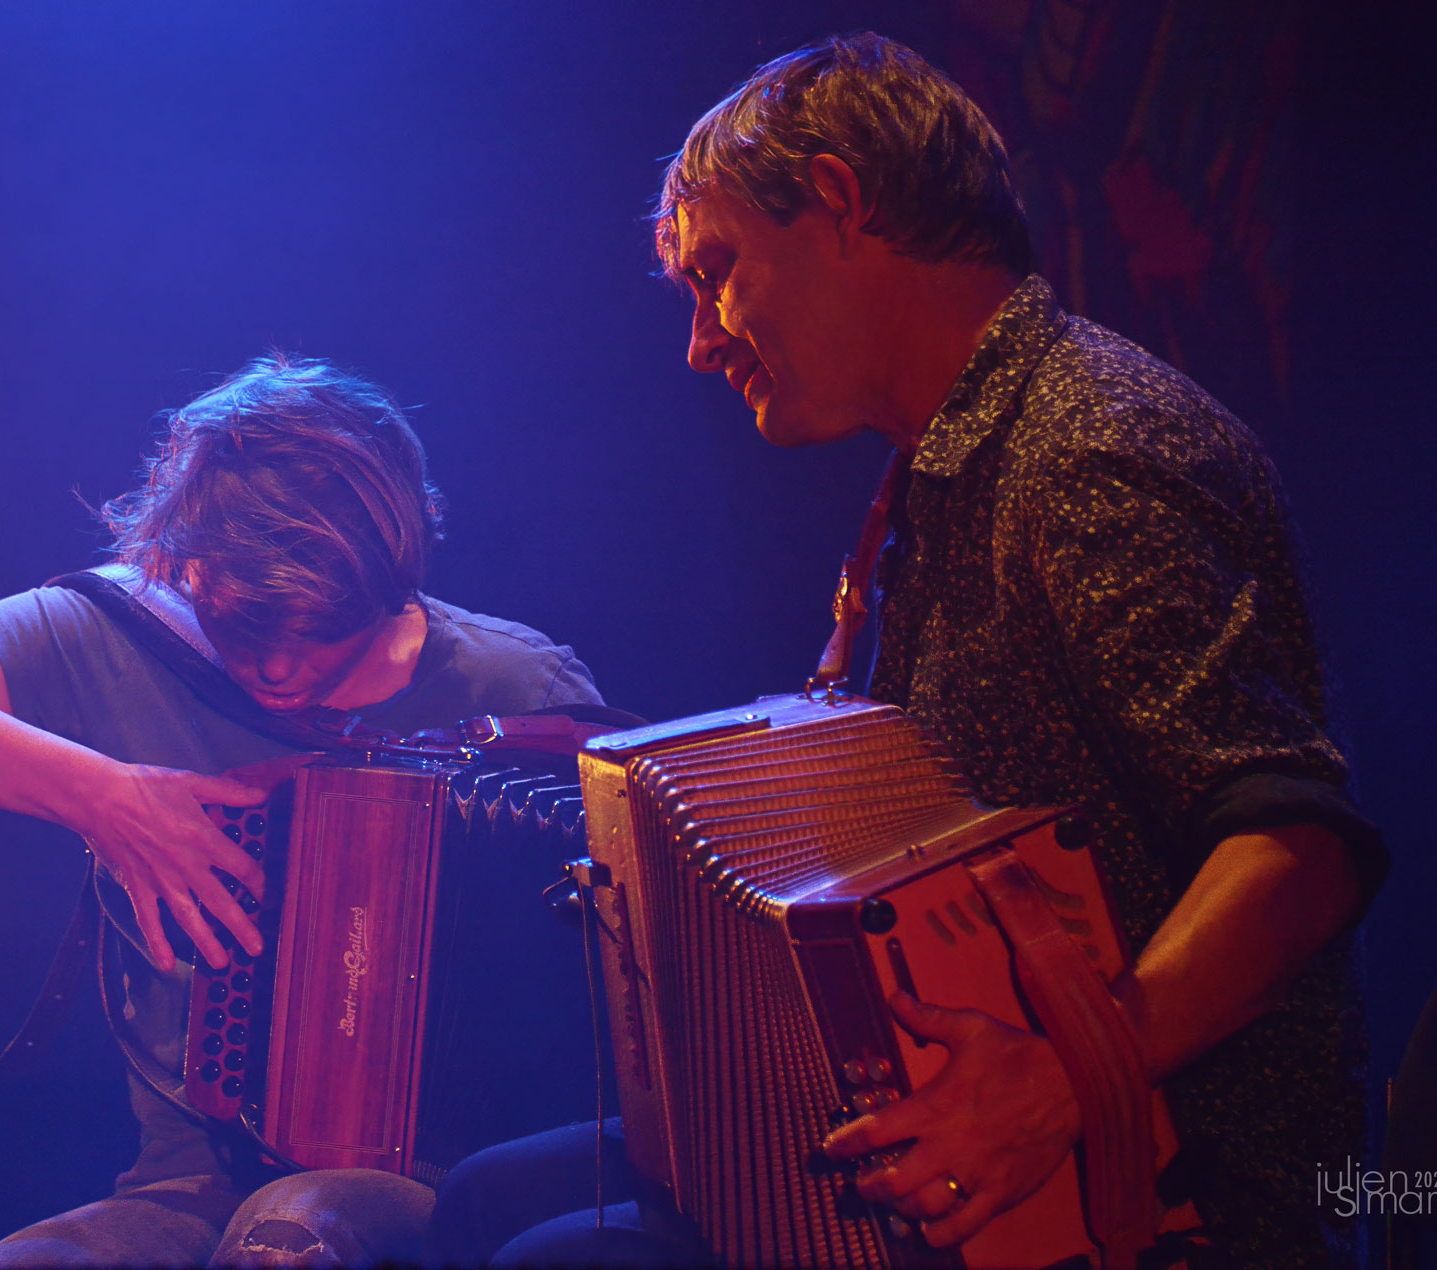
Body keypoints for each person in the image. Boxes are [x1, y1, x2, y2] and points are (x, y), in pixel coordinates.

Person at [432, 32, 1385, 1270]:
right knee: (487, 1201)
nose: (700, 342)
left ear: (838, 201)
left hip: (1156, 1174)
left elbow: (1301, 852)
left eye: (715, 273)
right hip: (993, 1107)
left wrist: (1061, 1078)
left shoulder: (1091, 446)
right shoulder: (939, 474)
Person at [0, 354, 605, 1268]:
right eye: (246, 627)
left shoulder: (515, 687)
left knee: (295, 1237)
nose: (276, 670)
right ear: (179, 559)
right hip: (192, 1179)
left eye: (318, 632)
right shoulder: (117, 638)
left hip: (458, 1182)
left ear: (390, 577)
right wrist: (102, 793)